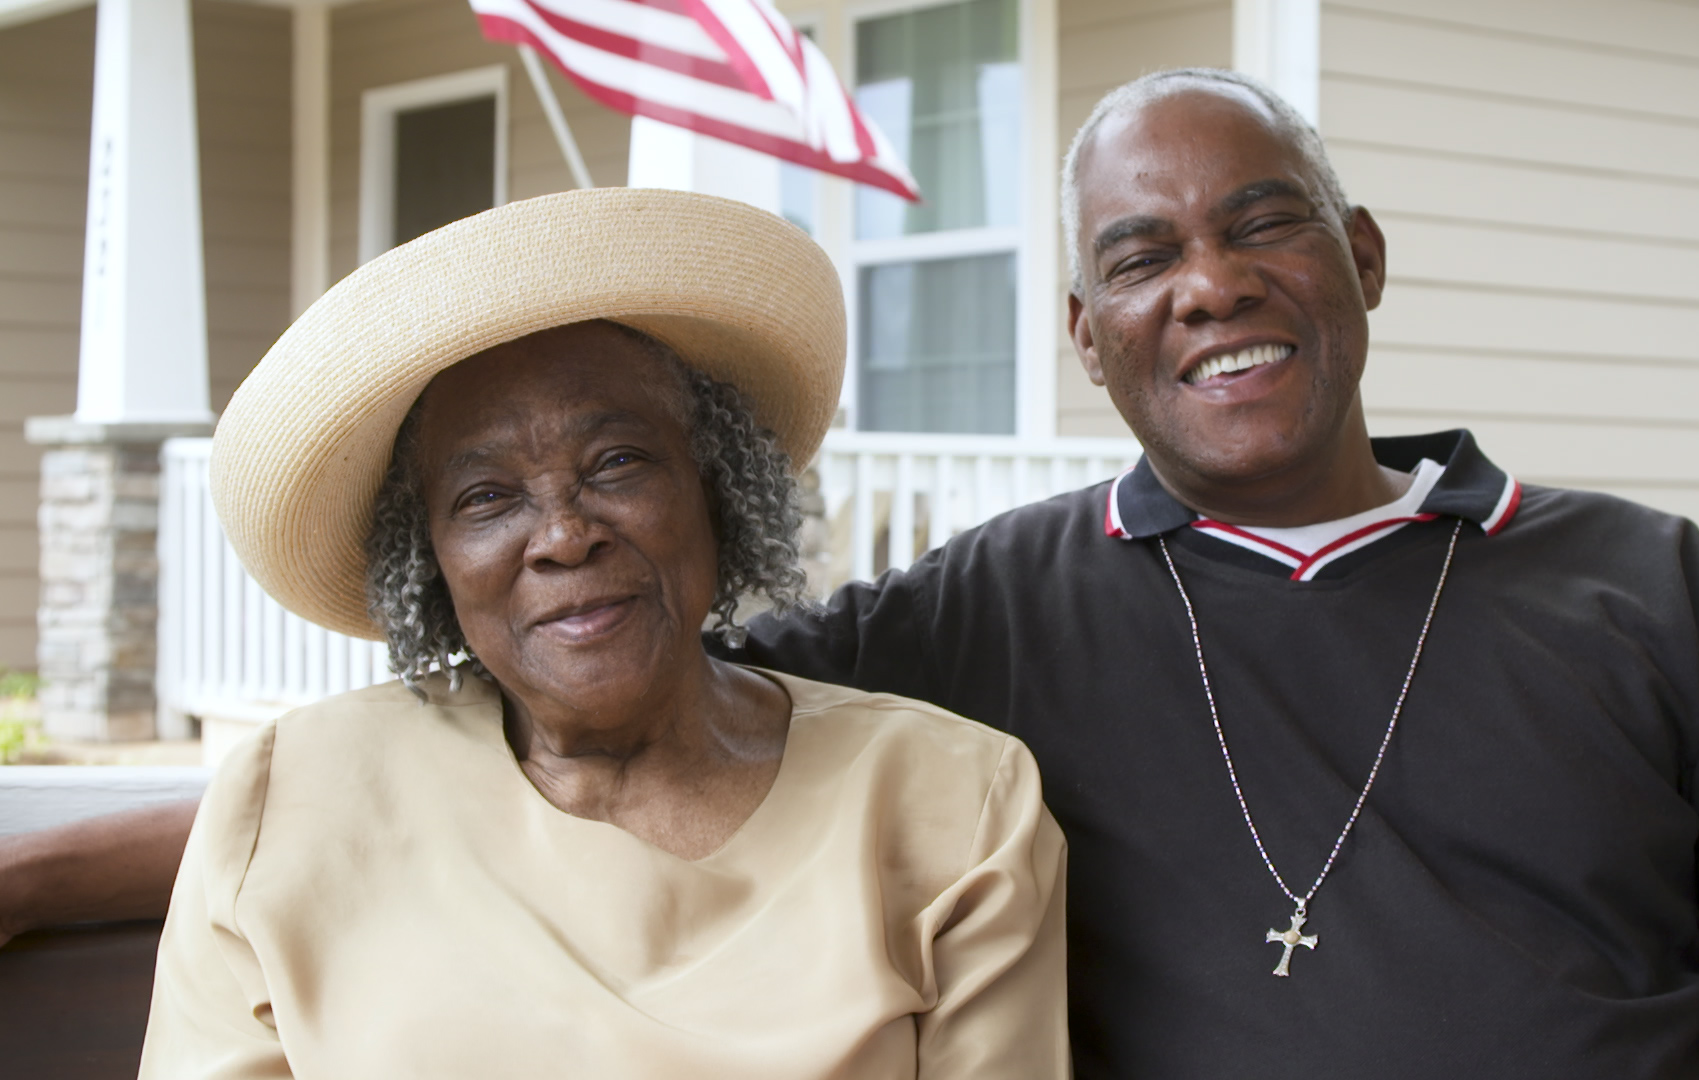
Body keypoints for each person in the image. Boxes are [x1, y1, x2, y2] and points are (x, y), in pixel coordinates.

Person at [3, 67, 1699, 1079]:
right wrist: (36, 868)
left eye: (1264, 229)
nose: (1213, 284)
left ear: (1362, 259)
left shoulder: (1657, 593)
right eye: (1145, 256)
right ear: (1090, 337)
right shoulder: (993, 613)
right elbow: (594, 698)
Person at [132, 189, 1068, 1078]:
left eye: (617, 462)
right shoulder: (287, 798)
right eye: (487, 497)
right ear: (430, 557)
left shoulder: (955, 805)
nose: (564, 534)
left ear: (716, 491)